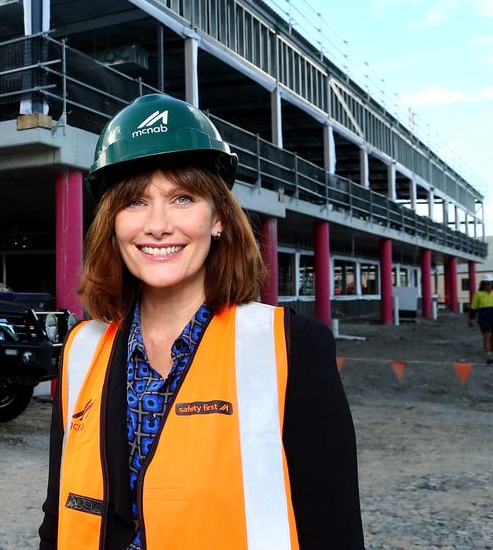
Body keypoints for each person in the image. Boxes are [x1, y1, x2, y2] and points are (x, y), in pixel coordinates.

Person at [39, 94, 363, 549]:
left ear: (218, 219)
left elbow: (333, 531)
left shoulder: (291, 348)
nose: (157, 225)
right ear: (112, 223)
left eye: (182, 198)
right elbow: (58, 518)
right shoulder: (82, 350)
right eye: (135, 202)